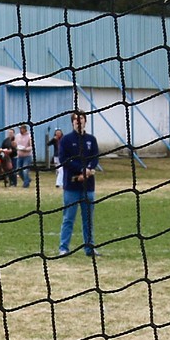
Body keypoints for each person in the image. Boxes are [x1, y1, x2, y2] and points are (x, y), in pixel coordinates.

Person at [57, 110, 100, 258]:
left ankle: (89, 248)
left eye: (81, 118)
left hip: (88, 186)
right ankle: (63, 248)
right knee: (69, 218)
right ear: (72, 122)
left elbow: (95, 158)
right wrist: (80, 170)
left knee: (88, 218)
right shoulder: (66, 140)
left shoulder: (91, 139)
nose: (78, 121)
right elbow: (64, 159)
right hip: (71, 186)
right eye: (75, 119)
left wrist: (88, 170)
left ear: (85, 121)